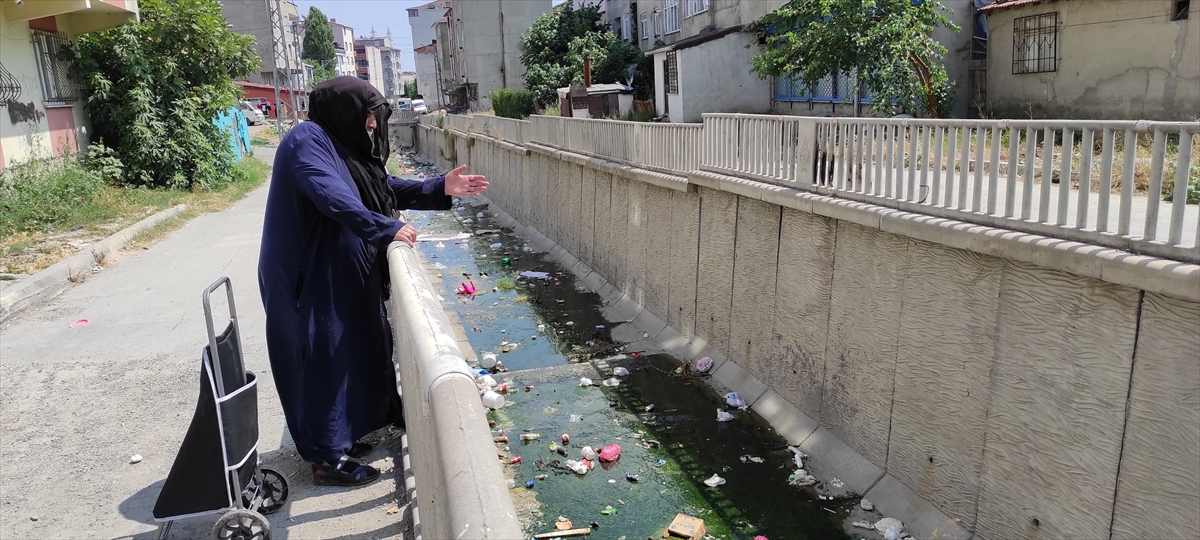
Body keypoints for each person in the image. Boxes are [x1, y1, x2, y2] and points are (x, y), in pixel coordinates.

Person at [257, 76, 488, 486]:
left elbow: (378, 188)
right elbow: (332, 196)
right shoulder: (305, 141)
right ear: (344, 111)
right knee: (320, 358)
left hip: (339, 272)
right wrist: (383, 229)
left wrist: (439, 188)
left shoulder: (338, 144)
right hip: (306, 276)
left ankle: (343, 436)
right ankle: (326, 458)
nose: (371, 127)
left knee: (350, 349)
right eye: (367, 118)